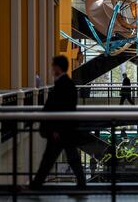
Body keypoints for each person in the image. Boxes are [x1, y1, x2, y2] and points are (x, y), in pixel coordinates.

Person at [31, 55, 86, 189]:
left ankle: (36, 185)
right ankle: (81, 184)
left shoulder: (63, 84)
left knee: (50, 159)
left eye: (53, 65)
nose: (51, 68)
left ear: (57, 67)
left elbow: (61, 107)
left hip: (60, 130)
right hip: (64, 129)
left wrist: (56, 129)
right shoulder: (66, 83)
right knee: (69, 158)